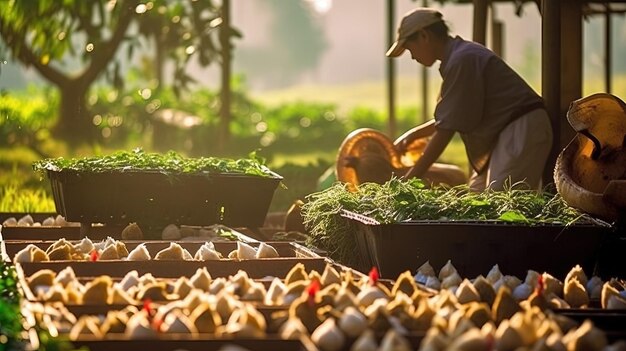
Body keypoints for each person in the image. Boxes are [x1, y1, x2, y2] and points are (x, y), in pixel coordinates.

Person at [387, 8, 553, 191]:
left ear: (424, 36)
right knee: (476, 198)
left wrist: (410, 180)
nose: (412, 56)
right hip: (505, 133)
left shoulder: (462, 60)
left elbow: (446, 130)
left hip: (519, 130)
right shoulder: (457, 58)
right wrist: (413, 135)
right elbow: (453, 116)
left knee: (500, 204)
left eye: (410, 48)